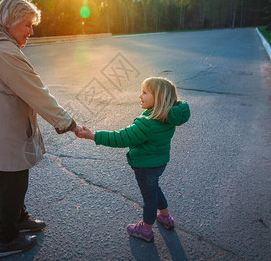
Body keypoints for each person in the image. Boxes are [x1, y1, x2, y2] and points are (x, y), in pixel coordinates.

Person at [0, 0, 82, 257]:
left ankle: (20, 218)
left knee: (9, 179)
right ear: (11, 20)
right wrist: (68, 123)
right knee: (13, 183)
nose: (31, 31)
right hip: (5, 131)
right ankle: (7, 240)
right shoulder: (4, 52)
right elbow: (36, 93)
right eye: (27, 24)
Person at [76, 77, 190, 242]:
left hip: (146, 166)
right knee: (154, 188)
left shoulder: (147, 123)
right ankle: (165, 216)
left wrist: (93, 136)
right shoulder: (168, 117)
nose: (140, 96)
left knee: (149, 198)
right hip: (160, 162)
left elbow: (121, 138)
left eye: (144, 92)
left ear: (158, 98)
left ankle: (146, 229)